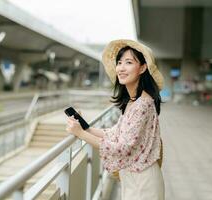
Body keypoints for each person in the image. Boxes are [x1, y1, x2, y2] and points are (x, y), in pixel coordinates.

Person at [66, 39, 165, 200]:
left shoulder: (143, 105)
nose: (121, 68)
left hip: (144, 182)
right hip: (134, 178)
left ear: (142, 68)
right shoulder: (134, 102)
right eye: (119, 63)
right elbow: (115, 132)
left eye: (128, 62)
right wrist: (86, 128)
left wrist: (81, 134)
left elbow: (123, 147)